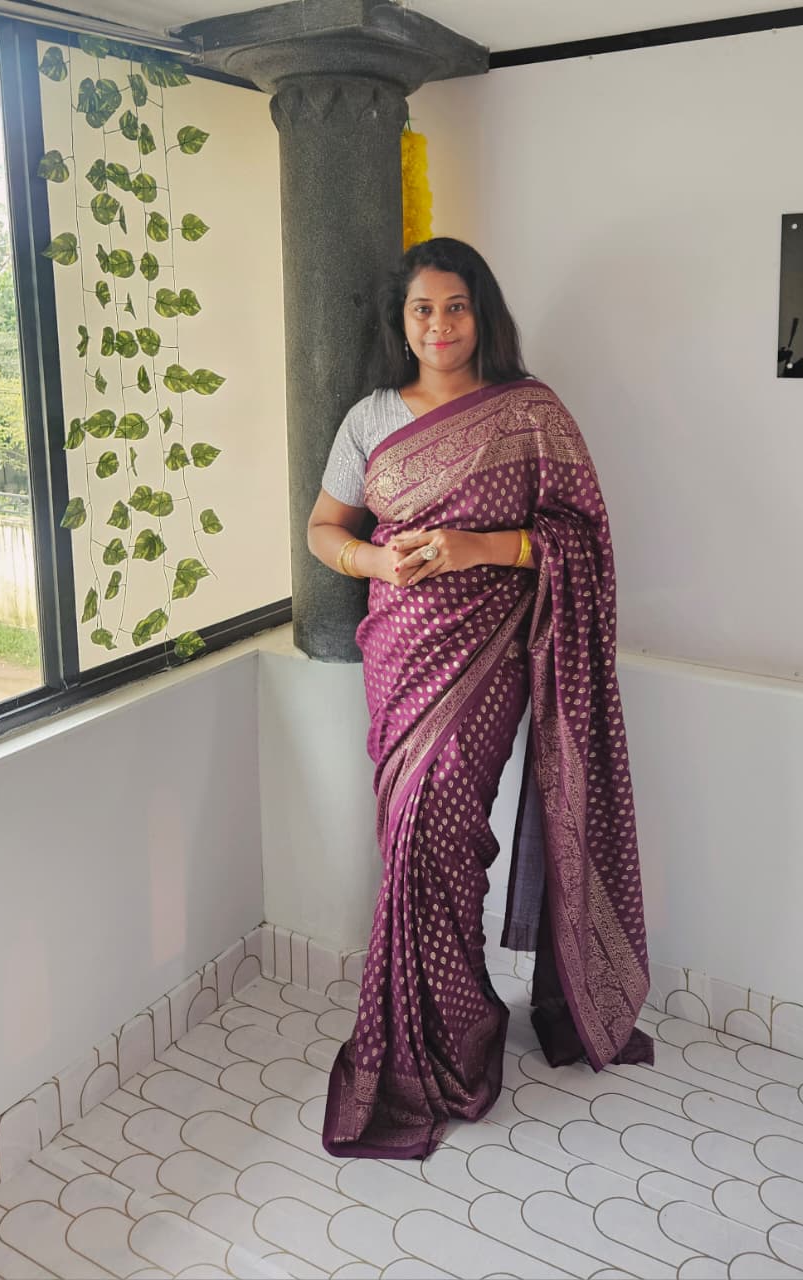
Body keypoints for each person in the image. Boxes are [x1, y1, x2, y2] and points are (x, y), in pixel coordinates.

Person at [307, 237, 652, 1160]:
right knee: (408, 840)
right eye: (422, 309)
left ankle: (456, 1033)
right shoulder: (371, 417)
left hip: (488, 656)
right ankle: (437, 1029)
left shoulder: (530, 411)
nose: (439, 325)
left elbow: (584, 541)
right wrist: (376, 559)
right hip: (398, 653)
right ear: (402, 323)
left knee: (447, 833)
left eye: (455, 306)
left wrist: (477, 548)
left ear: (482, 313)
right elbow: (324, 527)